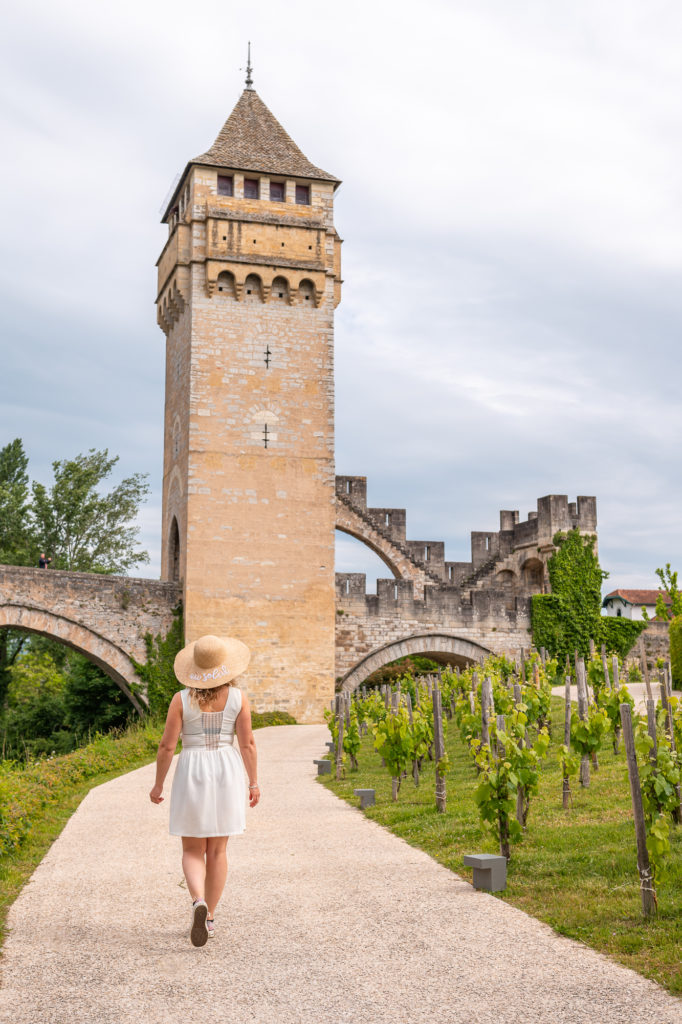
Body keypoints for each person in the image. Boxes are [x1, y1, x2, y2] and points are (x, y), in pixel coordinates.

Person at [149, 633, 260, 947]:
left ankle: (197, 900)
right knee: (218, 851)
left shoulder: (181, 700)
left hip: (193, 768)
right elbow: (248, 743)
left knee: (191, 849)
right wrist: (253, 782)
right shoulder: (238, 699)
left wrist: (158, 784)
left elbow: (167, 746)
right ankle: (209, 917)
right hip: (226, 768)